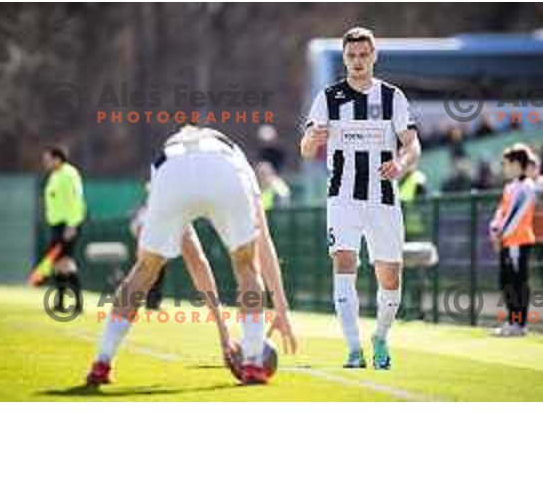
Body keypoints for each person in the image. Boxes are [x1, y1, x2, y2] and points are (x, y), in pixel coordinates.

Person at [86, 125, 296, 386]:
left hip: (171, 168)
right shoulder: (238, 159)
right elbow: (263, 242)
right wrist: (281, 308)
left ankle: (101, 362)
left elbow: (196, 261)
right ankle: (253, 363)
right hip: (224, 166)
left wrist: (223, 333)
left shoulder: (168, 157)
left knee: (143, 271)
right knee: (246, 266)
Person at [300, 26, 421, 370]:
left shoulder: (392, 97)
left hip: (383, 197)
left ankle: (380, 337)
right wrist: (313, 139)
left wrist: (401, 162)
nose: (357, 61)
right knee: (344, 263)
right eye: (351, 56)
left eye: (363, 55)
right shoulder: (328, 97)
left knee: (390, 276)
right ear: (344, 57)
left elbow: (411, 143)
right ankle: (354, 349)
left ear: (374, 56)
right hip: (343, 197)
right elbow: (307, 147)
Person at [489, 146, 537, 336]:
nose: (504, 168)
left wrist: (500, 234)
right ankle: (512, 321)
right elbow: (501, 212)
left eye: (507, 164)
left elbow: (516, 215)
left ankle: (519, 324)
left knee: (518, 282)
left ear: (517, 164)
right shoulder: (509, 187)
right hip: (507, 241)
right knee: (506, 282)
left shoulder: (527, 187)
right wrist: (493, 230)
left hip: (519, 241)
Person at [41, 145, 86, 313]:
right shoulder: (55, 175)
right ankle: (60, 302)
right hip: (57, 225)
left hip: (68, 224)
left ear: (58, 159)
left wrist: (72, 224)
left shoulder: (69, 174)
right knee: (59, 263)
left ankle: (77, 304)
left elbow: (76, 199)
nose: (45, 163)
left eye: (48, 159)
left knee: (66, 262)